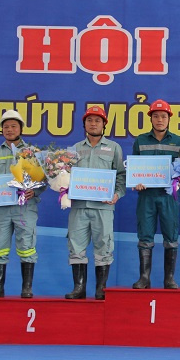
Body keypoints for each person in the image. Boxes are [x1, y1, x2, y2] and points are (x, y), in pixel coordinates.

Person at [0, 110, 44, 299]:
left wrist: (35, 191)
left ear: (21, 129)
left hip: (25, 207)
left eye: (13, 126)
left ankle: (27, 288)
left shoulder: (32, 152)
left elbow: (43, 179)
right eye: (6, 127)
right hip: (0, 209)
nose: (9, 129)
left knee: (27, 246)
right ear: (1, 130)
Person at [65, 106, 126, 300]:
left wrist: (117, 194)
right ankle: (79, 288)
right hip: (79, 206)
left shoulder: (114, 148)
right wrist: (63, 188)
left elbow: (121, 175)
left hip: (104, 207)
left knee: (104, 246)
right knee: (75, 245)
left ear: (104, 124)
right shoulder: (74, 149)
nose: (93, 124)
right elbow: (64, 175)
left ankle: (101, 289)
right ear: (84, 124)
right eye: (89, 120)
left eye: (97, 120)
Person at [132, 99, 180, 289]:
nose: (160, 120)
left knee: (171, 235)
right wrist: (136, 182)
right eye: (156, 116)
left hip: (168, 197)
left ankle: (169, 279)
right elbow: (134, 170)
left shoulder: (179, 142)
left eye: (163, 116)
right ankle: (144, 278)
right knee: (145, 235)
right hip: (146, 196)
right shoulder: (140, 140)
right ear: (151, 119)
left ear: (169, 118)